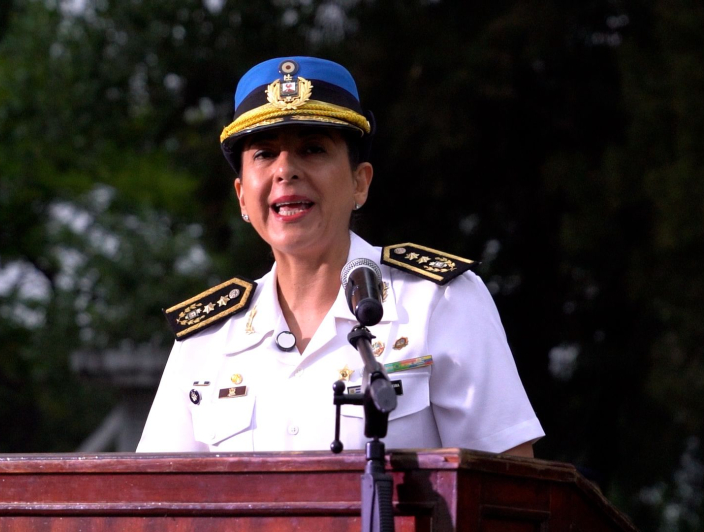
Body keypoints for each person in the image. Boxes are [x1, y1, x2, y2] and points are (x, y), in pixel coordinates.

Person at [136, 56, 544, 456]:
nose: (286, 170)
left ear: (359, 183)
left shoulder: (438, 303)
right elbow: (154, 502)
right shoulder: (207, 339)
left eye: (312, 149)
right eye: (264, 153)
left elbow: (507, 491)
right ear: (242, 196)